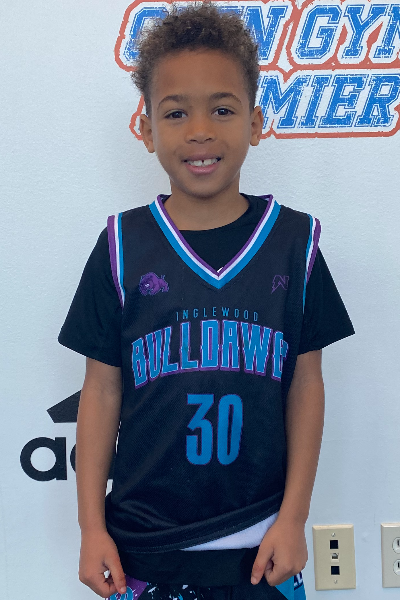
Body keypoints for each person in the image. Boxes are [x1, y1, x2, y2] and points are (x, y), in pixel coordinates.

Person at [58, 3, 355, 599]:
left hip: (261, 541)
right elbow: (101, 390)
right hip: (143, 543)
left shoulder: (294, 244)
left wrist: (294, 518)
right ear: (147, 130)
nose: (200, 130)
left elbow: (306, 384)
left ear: (256, 122)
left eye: (222, 109)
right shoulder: (121, 246)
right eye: (176, 112)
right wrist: (91, 527)